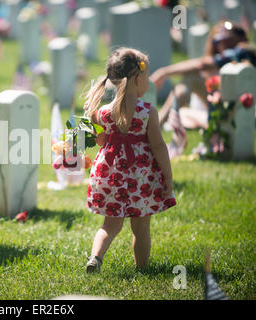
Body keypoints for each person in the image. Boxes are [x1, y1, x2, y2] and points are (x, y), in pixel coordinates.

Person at [82, 47, 177, 273]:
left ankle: (96, 258)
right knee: (142, 226)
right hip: (140, 177)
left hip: (110, 174)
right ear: (137, 78)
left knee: (109, 225)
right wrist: (168, 177)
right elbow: (158, 146)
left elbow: (101, 142)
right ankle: (142, 269)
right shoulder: (147, 111)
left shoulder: (103, 112)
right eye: (147, 76)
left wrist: (91, 118)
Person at [150, 20, 256, 130]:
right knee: (186, 102)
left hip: (246, 109)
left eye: (228, 40)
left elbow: (201, 64)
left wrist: (163, 72)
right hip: (228, 108)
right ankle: (162, 122)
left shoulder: (242, 51)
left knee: (191, 83)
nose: (222, 46)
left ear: (240, 38)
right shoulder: (231, 55)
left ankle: (157, 125)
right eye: (218, 42)